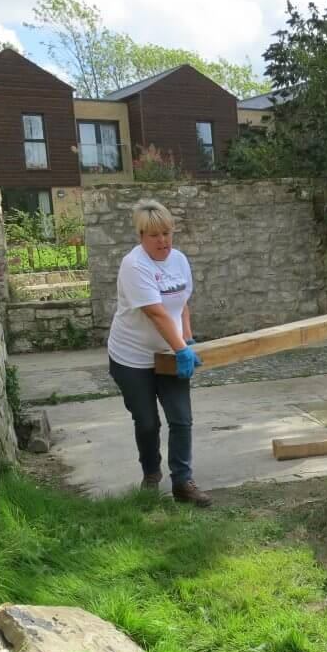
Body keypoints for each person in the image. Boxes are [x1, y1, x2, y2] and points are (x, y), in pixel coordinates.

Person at [106, 199, 212, 506]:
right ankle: (151, 475)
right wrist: (182, 349)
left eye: (167, 233)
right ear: (141, 235)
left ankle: (182, 482)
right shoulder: (134, 265)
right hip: (132, 357)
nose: (162, 240)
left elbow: (181, 305)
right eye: (154, 235)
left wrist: (188, 341)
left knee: (181, 418)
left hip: (169, 353)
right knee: (148, 421)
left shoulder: (178, 259)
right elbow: (156, 313)